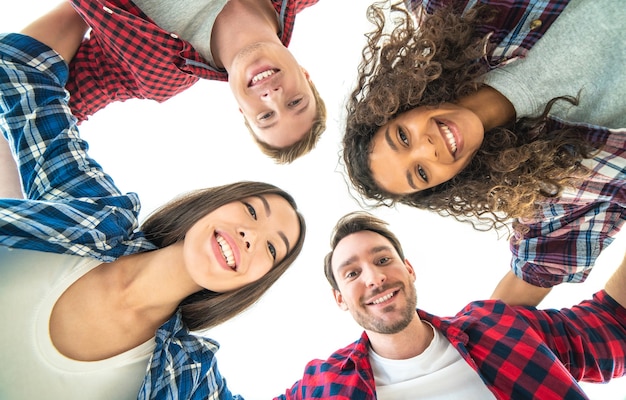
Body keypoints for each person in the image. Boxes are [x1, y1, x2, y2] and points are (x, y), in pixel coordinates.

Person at [0, 11, 306, 399]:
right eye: (250, 211)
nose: (251, 235)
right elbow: (23, 70)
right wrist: (92, 8)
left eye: (271, 248)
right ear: (211, 206)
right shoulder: (95, 211)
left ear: (254, 282)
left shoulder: (186, 378)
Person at [342, 0, 626, 306]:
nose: (428, 148)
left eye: (402, 136)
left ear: (399, 104)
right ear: (444, 184)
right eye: (421, 173)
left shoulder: (458, 14)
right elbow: (524, 284)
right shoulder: (557, 186)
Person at [275, 211, 626, 399]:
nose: (373, 278)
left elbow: (614, 324)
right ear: (340, 299)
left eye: (382, 260)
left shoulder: (497, 328)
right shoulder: (323, 386)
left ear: (409, 269)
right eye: (352, 273)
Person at [57, 0, 327, 164]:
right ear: (304, 74)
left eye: (266, 116)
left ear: (242, 110)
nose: (273, 96)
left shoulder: (154, 73)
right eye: (295, 102)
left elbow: (43, 104)